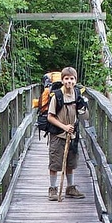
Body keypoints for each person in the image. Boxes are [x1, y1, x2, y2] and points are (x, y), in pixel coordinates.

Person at [46, 66, 88, 200]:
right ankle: (53, 189)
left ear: (76, 80)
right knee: (55, 162)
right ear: (62, 80)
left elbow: (85, 115)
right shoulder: (57, 96)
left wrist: (83, 107)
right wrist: (64, 127)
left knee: (71, 162)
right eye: (66, 79)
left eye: (72, 79)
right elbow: (50, 117)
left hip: (72, 134)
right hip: (58, 134)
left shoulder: (77, 94)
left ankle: (70, 188)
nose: (69, 81)